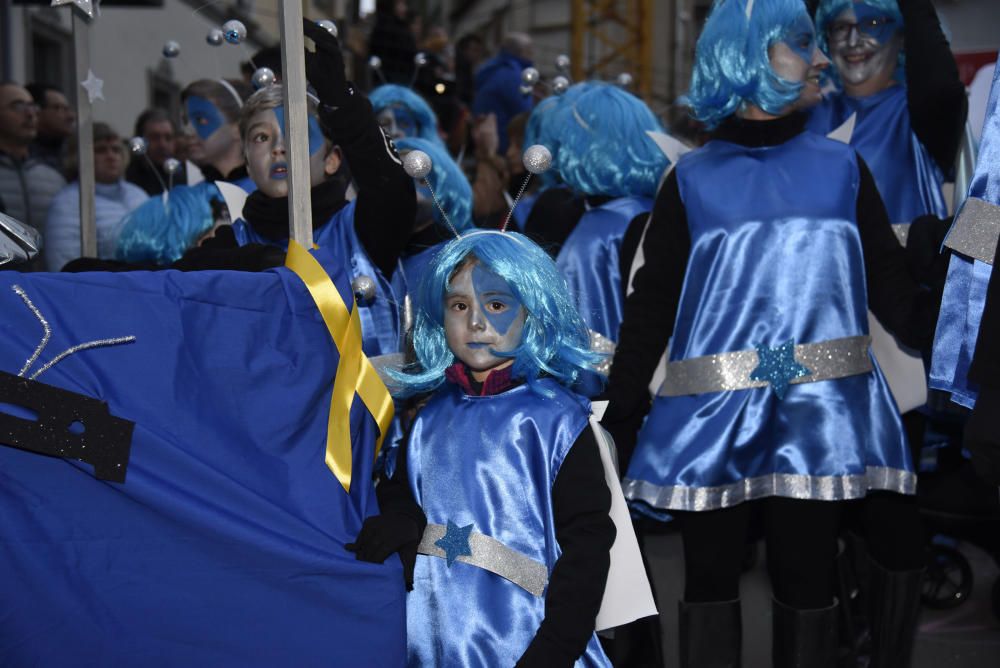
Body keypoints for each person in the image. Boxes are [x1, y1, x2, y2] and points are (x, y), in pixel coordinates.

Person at [600, 0, 932, 664]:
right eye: (803, 44)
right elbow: (652, 305)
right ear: (751, 56)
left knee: (807, 582)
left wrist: (964, 320)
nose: (820, 59)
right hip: (710, 421)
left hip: (822, 419)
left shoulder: (842, 168)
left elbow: (892, 292)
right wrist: (617, 407)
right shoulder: (689, 180)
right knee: (710, 582)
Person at [351, 229, 616, 666]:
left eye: (496, 304)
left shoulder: (556, 421)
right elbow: (404, 487)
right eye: (459, 305)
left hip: (527, 644)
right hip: (432, 641)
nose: (475, 323)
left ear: (533, 311)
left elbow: (586, 550)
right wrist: (401, 517)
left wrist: (552, 653)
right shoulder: (431, 416)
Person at [186, 21, 416, 358]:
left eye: (296, 134)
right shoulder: (231, 245)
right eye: (261, 137)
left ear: (332, 160)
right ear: (248, 162)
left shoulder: (364, 229)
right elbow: (161, 285)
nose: (279, 148)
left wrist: (340, 100)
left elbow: (389, 184)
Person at [809, 0, 965, 227]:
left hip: (908, 261)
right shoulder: (809, 114)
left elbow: (940, 87)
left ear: (903, 36)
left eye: (872, 23)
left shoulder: (919, 113)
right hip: (825, 261)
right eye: (840, 28)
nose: (853, 42)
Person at [44, 122, 148, 271]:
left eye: (116, 150)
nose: (111, 156)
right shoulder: (68, 203)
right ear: (79, 156)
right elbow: (65, 265)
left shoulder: (138, 194)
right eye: (101, 150)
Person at [0, 81, 66, 268]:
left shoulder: (53, 177)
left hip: (43, 285)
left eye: (32, 106)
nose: (30, 114)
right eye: (18, 106)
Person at [180, 78, 254, 191]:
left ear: (238, 128)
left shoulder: (265, 196)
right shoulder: (187, 200)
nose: (188, 131)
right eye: (186, 121)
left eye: (200, 120)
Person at [472, 33, 535, 154]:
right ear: (521, 52)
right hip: (505, 144)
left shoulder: (491, 70)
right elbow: (524, 115)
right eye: (530, 50)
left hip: (484, 140)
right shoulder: (514, 76)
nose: (533, 55)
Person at [126, 108, 188, 196]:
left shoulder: (185, 177)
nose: (163, 145)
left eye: (168, 138)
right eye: (154, 137)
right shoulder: (131, 181)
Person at [370, 83, 447, 148]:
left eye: (404, 124)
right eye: (384, 124)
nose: (394, 132)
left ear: (419, 129)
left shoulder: (435, 165)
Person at [26, 83, 75, 176]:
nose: (71, 116)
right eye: (58, 108)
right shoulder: (21, 155)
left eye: (68, 108)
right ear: (35, 111)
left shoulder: (75, 153)